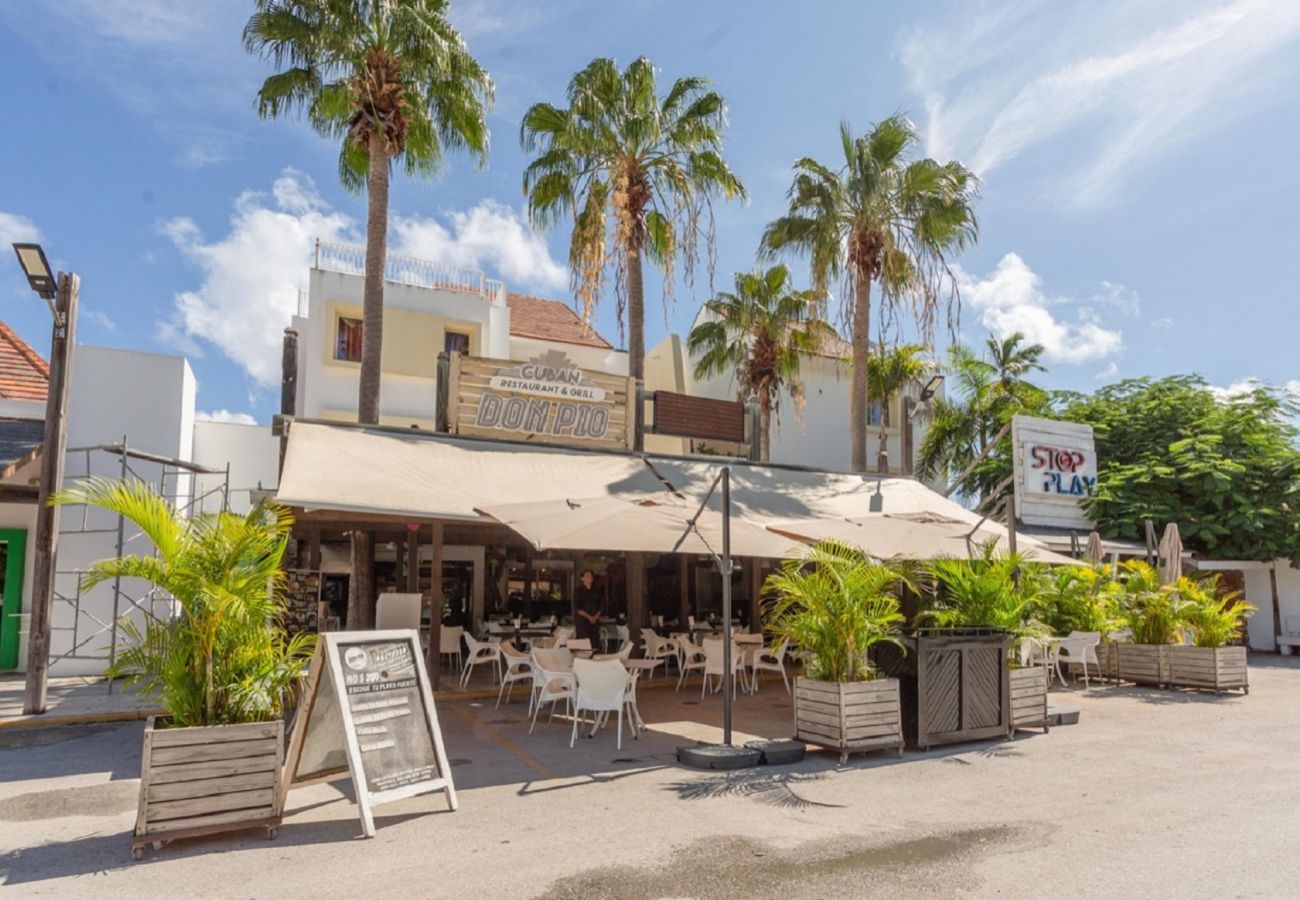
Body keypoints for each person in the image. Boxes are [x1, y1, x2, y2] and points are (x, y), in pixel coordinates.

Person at [573, 569, 602, 649]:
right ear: (582, 578)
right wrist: (589, 617)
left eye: (590, 576)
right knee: (583, 644)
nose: (588, 578)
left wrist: (595, 617)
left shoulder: (597, 591)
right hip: (582, 622)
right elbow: (578, 608)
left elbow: (600, 607)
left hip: (594, 622)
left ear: (592, 579)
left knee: (594, 644)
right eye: (586, 576)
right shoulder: (578, 591)